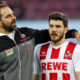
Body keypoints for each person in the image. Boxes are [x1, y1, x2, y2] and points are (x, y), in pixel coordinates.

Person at [0, 1, 80, 80]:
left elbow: (47, 34)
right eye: (8, 16)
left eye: (12, 14)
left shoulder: (26, 33)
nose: (14, 17)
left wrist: (72, 33)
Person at [33, 12, 80, 80]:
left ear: (66, 30)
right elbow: (36, 77)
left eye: (58, 26)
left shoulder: (76, 49)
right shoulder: (39, 50)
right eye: (51, 26)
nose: (54, 30)